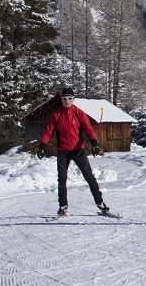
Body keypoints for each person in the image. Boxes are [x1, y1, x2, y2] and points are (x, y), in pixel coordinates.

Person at [40, 87, 111, 218]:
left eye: (69, 99)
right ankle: (62, 207)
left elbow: (88, 128)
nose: (66, 101)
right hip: (63, 151)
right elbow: (48, 130)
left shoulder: (79, 113)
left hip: (78, 150)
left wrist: (94, 143)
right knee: (62, 179)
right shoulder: (56, 114)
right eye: (64, 99)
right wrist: (42, 144)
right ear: (61, 100)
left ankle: (100, 203)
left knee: (89, 177)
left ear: (73, 100)